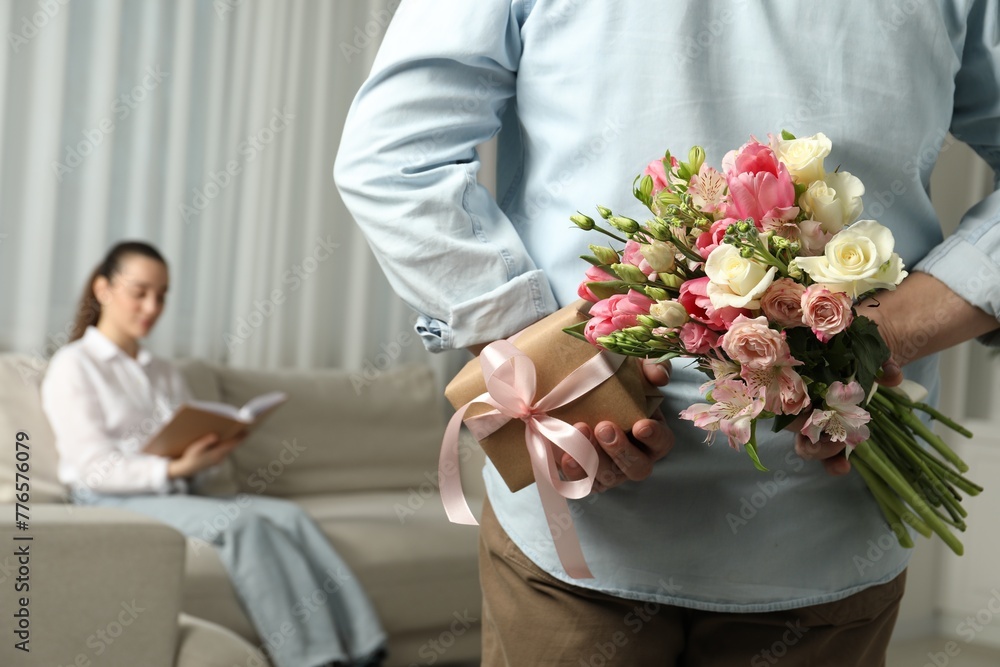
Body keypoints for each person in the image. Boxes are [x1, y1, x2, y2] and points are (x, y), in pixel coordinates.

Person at [334, 1, 1000, 665]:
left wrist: (886, 331)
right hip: (593, 520)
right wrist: (542, 363)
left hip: (815, 519)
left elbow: (392, 155)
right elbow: (393, 157)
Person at [40, 241, 387, 667]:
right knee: (244, 525)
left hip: (174, 490)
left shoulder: (164, 371)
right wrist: (173, 469)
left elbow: (185, 440)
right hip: (108, 500)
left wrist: (207, 455)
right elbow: (93, 468)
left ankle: (366, 647)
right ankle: (313, 659)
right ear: (103, 289)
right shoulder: (74, 365)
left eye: (162, 294)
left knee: (290, 516)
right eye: (140, 291)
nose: (153, 306)